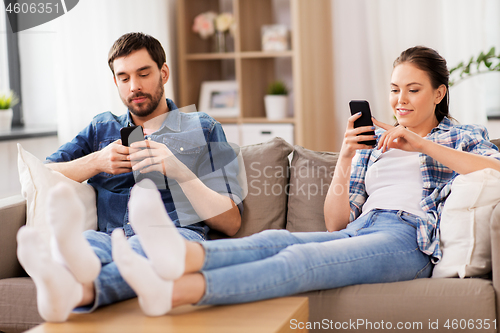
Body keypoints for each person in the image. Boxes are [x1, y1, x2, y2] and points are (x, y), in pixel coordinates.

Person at [99, 45, 500, 317]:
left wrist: (421, 145)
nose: (400, 100)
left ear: (438, 93)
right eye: (395, 89)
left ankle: (175, 291)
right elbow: (334, 223)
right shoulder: (375, 143)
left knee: (300, 260)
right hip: (363, 227)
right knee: (279, 242)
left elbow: (494, 171)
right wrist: (346, 158)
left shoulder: (461, 138)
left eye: (413, 90)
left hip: (407, 238)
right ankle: (179, 257)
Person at [16, 32, 243, 322]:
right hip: (108, 238)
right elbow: (43, 171)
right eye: (123, 78)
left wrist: (177, 169)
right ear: (115, 82)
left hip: (175, 236)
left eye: (143, 74)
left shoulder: (203, 127)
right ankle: (63, 271)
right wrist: (95, 161)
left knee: (140, 249)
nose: (134, 86)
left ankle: (70, 287)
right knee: (85, 242)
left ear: (163, 73)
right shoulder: (101, 127)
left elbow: (232, 222)